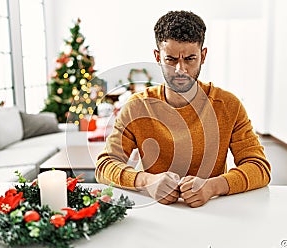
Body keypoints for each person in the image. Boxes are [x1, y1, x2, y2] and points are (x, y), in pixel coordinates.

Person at [95, 10, 271, 208]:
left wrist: (213, 187)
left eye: (189, 59)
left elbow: (259, 167)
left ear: (203, 56)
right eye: (171, 59)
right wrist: (146, 181)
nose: (180, 69)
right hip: (155, 213)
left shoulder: (228, 105)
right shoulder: (137, 107)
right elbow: (104, 166)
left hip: (214, 211)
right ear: (157, 56)